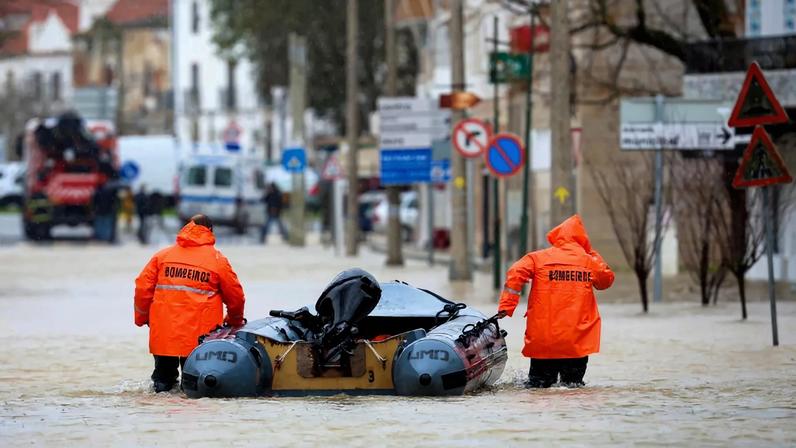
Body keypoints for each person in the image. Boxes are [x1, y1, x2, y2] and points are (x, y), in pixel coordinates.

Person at [497, 215, 614, 388]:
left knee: (539, 389)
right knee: (573, 388)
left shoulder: (538, 258)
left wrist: (507, 306)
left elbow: (515, 272)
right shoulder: (589, 261)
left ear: (557, 236)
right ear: (582, 239)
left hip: (544, 340)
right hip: (576, 342)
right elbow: (606, 280)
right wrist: (590, 252)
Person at [134, 214, 246, 392]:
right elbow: (236, 297)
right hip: (200, 339)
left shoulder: (163, 256)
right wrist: (234, 321)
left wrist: (142, 318)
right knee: (194, 387)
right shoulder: (217, 260)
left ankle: (159, 408)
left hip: (164, 333)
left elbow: (142, 289)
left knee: (162, 385)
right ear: (210, 231)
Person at [92, 178, 119, 243]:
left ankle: (99, 237)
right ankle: (106, 237)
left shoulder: (97, 192)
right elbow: (112, 201)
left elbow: (94, 202)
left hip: (99, 211)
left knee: (99, 224)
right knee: (107, 224)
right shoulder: (109, 192)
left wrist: (94, 209)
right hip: (108, 210)